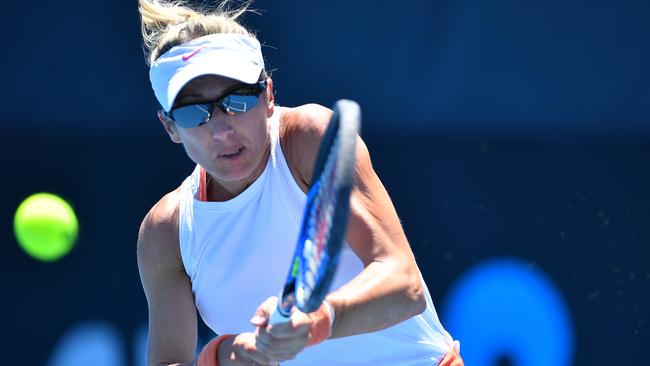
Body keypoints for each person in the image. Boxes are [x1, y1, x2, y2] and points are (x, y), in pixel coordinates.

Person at [136, 0, 463, 365]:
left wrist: (315, 323)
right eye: (194, 112)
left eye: (238, 101)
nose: (222, 129)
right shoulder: (165, 233)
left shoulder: (307, 141)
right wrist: (228, 356)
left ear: (269, 96)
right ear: (170, 127)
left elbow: (405, 286)